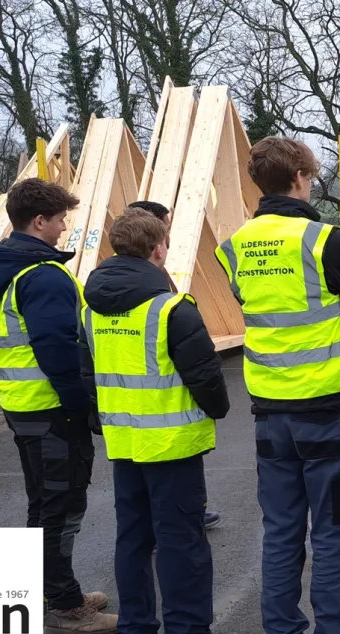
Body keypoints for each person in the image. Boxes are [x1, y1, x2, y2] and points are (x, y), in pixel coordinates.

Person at [215, 136, 340, 634]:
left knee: (282, 530)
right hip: (327, 411)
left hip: (270, 411)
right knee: (335, 530)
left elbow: (260, 305)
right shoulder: (323, 241)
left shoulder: (235, 245)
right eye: (311, 176)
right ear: (297, 176)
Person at [80, 208, 240, 634]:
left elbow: (87, 370)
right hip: (171, 445)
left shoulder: (91, 308)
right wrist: (218, 409)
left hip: (124, 441)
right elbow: (206, 376)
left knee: (132, 539)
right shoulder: (171, 307)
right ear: (158, 249)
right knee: (181, 542)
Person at [0, 177, 117, 634]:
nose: (64, 229)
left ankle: (52, 590)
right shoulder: (42, 276)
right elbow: (58, 349)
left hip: (24, 405)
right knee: (60, 506)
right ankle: (65, 608)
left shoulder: (8, 268)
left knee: (43, 504)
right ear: (39, 221)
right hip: (51, 407)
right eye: (60, 220)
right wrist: (82, 405)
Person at [126, 199, 222, 533]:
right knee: (179, 533)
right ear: (155, 241)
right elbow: (195, 360)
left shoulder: (103, 287)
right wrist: (216, 404)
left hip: (124, 417)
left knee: (134, 522)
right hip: (163, 410)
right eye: (167, 231)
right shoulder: (156, 285)